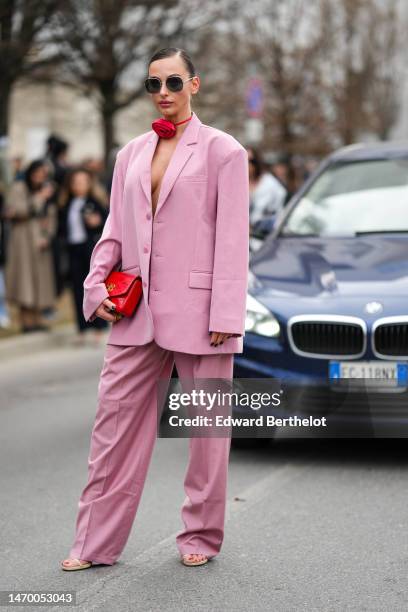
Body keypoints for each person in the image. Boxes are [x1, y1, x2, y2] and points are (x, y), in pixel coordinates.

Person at [61, 46, 249, 571]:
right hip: (136, 310)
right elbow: (116, 229)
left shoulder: (224, 152)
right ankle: (93, 543)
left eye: (172, 82)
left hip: (203, 312)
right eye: (153, 84)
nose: (162, 93)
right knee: (112, 426)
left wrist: (226, 315)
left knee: (208, 432)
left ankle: (202, 535)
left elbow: (234, 240)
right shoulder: (131, 154)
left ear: (195, 83)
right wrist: (95, 284)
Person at [4, 160, 57, 332]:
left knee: (39, 281)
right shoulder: (19, 187)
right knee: (24, 280)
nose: (40, 177)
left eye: (43, 174)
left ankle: (37, 320)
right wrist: (38, 198)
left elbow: (51, 215)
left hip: (40, 243)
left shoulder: (47, 190)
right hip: (22, 242)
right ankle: (25, 322)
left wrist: (47, 236)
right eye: (37, 172)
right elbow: (14, 211)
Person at [58, 167, 109, 345]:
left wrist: (97, 222)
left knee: (94, 288)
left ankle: (99, 327)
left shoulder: (95, 202)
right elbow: (62, 228)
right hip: (73, 250)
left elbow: (108, 223)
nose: (79, 186)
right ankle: (82, 328)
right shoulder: (66, 204)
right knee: (77, 290)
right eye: (75, 183)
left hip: (91, 250)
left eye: (82, 182)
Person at [247, 146, 287, 229]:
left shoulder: (270, 184)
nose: (247, 164)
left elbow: (278, 213)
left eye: (250, 161)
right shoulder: (236, 182)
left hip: (262, 235)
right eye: (243, 160)